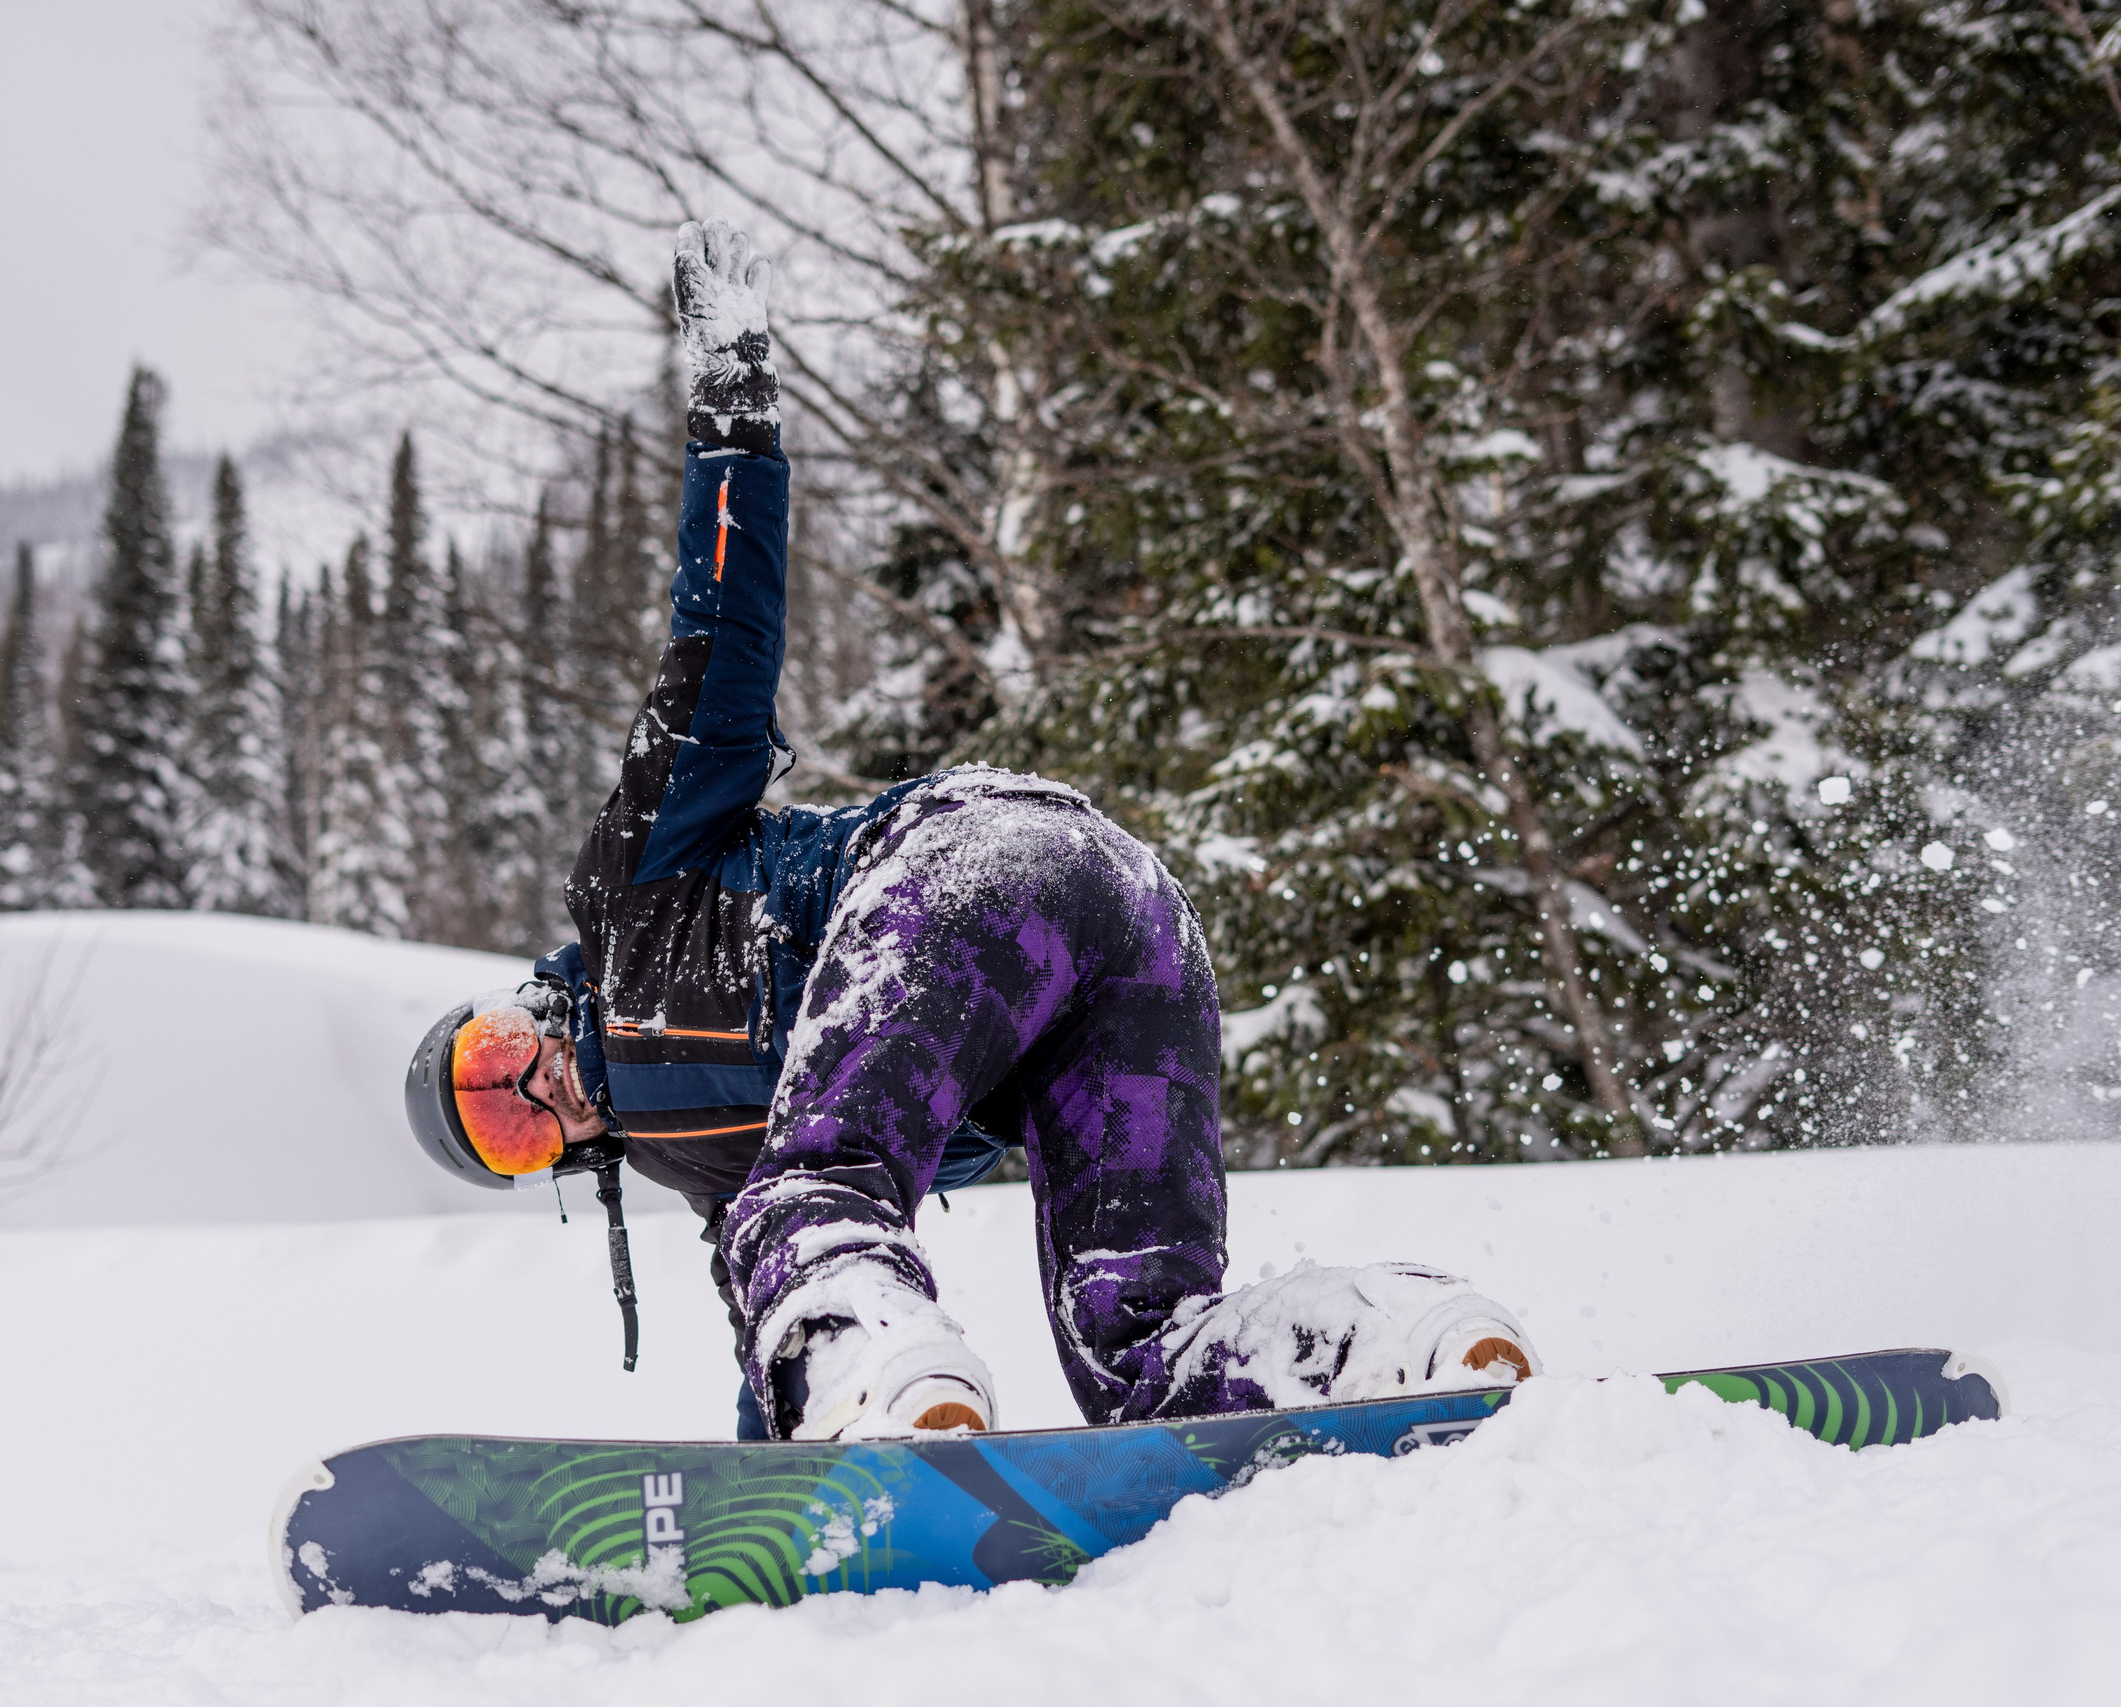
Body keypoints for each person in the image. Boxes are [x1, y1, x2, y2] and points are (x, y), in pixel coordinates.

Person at [407, 220, 1539, 1442]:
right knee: (1135, 1339)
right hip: (1130, 936)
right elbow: (769, 1324)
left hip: (966, 872)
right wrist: (774, 1476)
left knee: (814, 1200)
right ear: (553, 1170)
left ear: (515, 1002)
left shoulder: (632, 903)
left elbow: (717, 645)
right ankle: (1394, 1351)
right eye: (508, 1128)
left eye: (492, 1056)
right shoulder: (709, 1170)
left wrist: (734, 415)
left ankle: (889, 1397)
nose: (533, 1083)